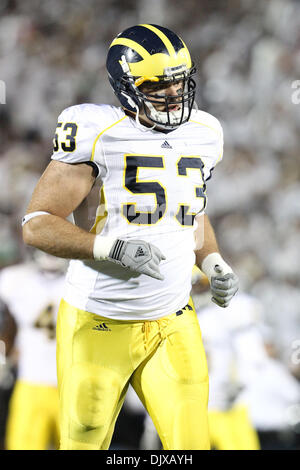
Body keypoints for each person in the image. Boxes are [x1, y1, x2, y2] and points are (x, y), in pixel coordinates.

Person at [22, 24, 239, 450]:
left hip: (174, 317)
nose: (174, 95)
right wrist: (111, 248)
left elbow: (190, 213)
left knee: (191, 445)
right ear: (126, 87)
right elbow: (36, 224)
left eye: (180, 81)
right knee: (83, 444)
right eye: (159, 85)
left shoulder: (207, 131)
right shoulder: (95, 130)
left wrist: (212, 262)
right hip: (100, 319)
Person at [0, 251, 67, 449]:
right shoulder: (17, 279)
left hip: (70, 384)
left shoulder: (81, 280)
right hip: (31, 381)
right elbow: (9, 324)